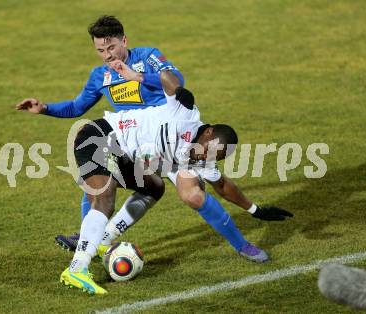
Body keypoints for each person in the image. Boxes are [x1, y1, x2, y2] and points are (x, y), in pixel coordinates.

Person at [59, 70, 293, 295]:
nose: (205, 158)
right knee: (103, 196)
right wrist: (167, 86)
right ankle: (77, 268)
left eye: (214, 158)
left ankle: (101, 239)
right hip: (99, 135)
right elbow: (166, 77)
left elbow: (221, 185)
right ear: (208, 132)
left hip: (123, 155)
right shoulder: (186, 113)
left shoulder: (202, 156)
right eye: (209, 152)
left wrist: (254, 210)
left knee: (155, 188)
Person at [15, 15, 184, 249]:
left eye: (111, 47)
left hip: (162, 138)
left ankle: (246, 223)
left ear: (124, 40)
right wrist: (45, 108)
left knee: (195, 192)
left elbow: (177, 81)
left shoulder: (147, 57)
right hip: (129, 141)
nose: (107, 55)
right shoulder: (99, 76)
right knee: (96, 178)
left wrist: (137, 76)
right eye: (100, 50)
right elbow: (76, 106)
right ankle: (89, 240)